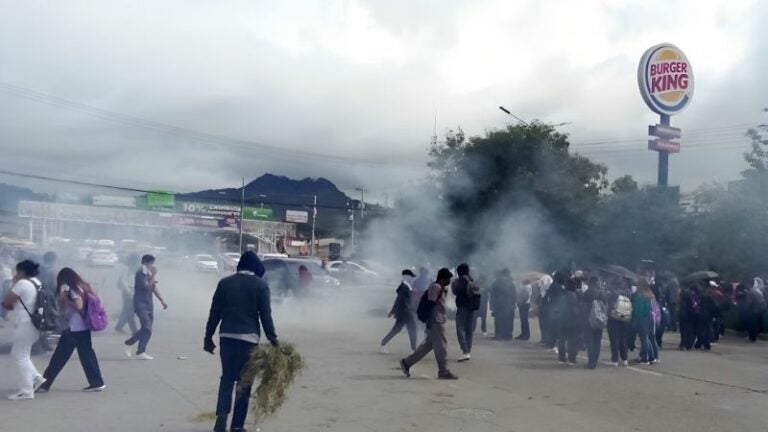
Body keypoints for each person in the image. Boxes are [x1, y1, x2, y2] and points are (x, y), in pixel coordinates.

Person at [204, 251, 278, 432]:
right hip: (248, 339)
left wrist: (208, 338)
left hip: (226, 337)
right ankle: (237, 426)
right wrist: (273, 339)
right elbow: (265, 316)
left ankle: (221, 417)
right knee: (244, 382)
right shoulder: (261, 285)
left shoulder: (225, 283)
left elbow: (214, 313)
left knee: (227, 378)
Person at [38, 268, 105, 393]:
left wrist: (65, 299)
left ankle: (44, 384)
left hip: (74, 329)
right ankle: (97, 382)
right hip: (82, 328)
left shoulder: (72, 290)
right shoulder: (82, 287)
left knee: (59, 357)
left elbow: (78, 305)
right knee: (87, 355)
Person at [399, 268, 457, 380]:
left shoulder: (439, 287)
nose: (449, 281)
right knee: (441, 346)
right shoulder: (436, 287)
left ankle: (407, 363)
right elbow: (431, 304)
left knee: (426, 347)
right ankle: (443, 371)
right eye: (448, 278)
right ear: (443, 278)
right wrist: (429, 321)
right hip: (435, 321)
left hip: (437, 320)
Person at [1, 259, 46, 400]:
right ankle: (36, 378)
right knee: (21, 353)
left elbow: (8, 302)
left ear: (21, 271)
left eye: (17, 271)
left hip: (25, 323)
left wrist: (14, 282)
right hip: (36, 323)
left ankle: (27, 390)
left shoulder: (22, 283)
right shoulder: (36, 282)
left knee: (20, 355)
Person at [124, 254, 168, 360]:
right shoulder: (140, 273)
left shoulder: (148, 273)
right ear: (145, 263)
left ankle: (137, 348)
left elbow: (153, 288)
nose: (153, 266)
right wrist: (153, 275)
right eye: (151, 263)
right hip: (140, 303)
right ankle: (135, 346)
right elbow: (146, 286)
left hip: (149, 303)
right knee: (146, 327)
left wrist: (162, 300)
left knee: (148, 329)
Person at [380, 270, 418, 352]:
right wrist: (392, 311)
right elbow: (399, 300)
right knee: (412, 329)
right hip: (406, 312)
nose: (412, 279)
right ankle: (413, 349)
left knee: (397, 329)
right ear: (406, 276)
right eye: (411, 277)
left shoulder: (405, 286)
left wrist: (393, 311)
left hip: (404, 312)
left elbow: (401, 300)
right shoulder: (404, 287)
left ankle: (383, 343)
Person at [451, 263, 480, 362]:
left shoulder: (460, 281)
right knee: (469, 330)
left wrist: (454, 281)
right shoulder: (471, 279)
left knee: (460, 329)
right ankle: (468, 351)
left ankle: (465, 350)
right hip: (471, 307)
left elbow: (455, 291)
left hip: (462, 307)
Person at [35, 251, 59, 352]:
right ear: (53, 260)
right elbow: (54, 286)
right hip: (47, 299)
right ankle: (41, 344)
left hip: (36, 298)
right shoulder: (51, 271)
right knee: (47, 321)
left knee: (39, 321)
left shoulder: (38, 269)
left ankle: (43, 343)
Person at [606, 276, 632, 366]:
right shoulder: (628, 290)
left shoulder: (612, 290)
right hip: (624, 315)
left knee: (614, 338)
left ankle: (615, 359)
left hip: (614, 315)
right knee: (623, 338)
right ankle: (625, 359)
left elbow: (608, 299)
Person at [581, 277, 605, 369]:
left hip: (588, 320)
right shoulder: (602, 293)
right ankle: (595, 361)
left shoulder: (587, 293)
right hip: (600, 319)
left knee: (590, 341)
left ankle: (591, 362)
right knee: (597, 341)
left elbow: (582, 306)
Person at [632, 280, 659, 365]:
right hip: (651, 318)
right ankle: (653, 357)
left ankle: (645, 358)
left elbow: (638, 310)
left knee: (644, 338)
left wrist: (635, 319)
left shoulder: (641, 296)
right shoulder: (650, 294)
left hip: (643, 318)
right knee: (649, 338)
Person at [556, 277, 580, 365]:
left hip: (562, 320)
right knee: (572, 341)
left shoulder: (563, 294)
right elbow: (575, 310)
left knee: (562, 340)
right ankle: (572, 359)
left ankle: (561, 358)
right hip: (571, 321)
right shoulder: (572, 296)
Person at [115, 254, 139, 334]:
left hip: (133, 291)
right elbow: (123, 281)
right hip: (128, 292)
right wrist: (129, 292)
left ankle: (119, 327)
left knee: (126, 311)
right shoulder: (126, 269)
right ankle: (134, 331)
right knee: (130, 311)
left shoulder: (136, 269)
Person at [542, 272, 567, 351]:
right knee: (557, 328)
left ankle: (551, 343)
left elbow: (547, 296)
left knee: (553, 327)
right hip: (558, 309)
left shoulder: (554, 286)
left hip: (553, 309)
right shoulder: (560, 287)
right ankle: (554, 344)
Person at [489, 269, 516, 341]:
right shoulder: (511, 282)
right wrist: (513, 304)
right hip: (509, 304)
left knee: (498, 320)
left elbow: (492, 294)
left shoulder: (497, 281)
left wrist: (492, 305)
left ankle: (498, 335)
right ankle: (508, 336)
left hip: (499, 304)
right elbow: (514, 294)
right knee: (508, 320)